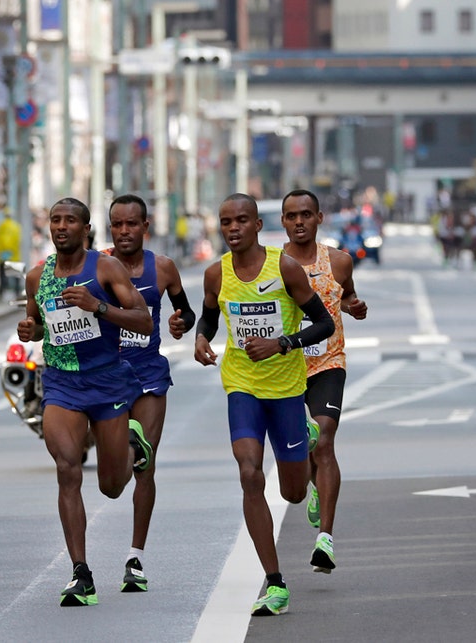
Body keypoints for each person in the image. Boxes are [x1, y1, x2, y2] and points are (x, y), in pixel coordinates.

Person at [194, 193, 336, 617]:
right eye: (225, 222)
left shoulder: (285, 268)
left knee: (293, 493)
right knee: (249, 471)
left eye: (241, 220)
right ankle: (275, 583)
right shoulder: (215, 274)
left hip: (288, 388)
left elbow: (324, 323)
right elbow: (209, 317)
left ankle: (306, 440)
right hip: (242, 385)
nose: (233, 228)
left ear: (257, 225)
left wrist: (283, 343)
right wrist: (202, 337)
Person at [16, 198, 155, 607]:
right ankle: (81, 573)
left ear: (86, 228)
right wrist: (30, 329)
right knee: (66, 467)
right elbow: (38, 325)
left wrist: (98, 306)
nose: (61, 226)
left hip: (107, 382)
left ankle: (133, 446)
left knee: (112, 487)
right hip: (61, 385)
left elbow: (144, 321)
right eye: (56, 220)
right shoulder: (36, 277)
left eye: (70, 220)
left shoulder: (104, 268)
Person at [105, 194, 196, 593]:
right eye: (117, 225)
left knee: (144, 463)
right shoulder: (97, 266)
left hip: (148, 375)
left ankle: (135, 556)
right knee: (115, 477)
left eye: (131, 224)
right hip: (105, 378)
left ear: (146, 226)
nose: (124, 232)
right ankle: (126, 441)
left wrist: (181, 322)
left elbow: (187, 312)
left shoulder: (162, 268)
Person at [281, 190, 368, 575]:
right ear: (283, 222)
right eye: (290, 216)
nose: (298, 222)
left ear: (319, 218)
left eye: (305, 215)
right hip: (283, 368)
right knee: (306, 451)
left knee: (325, 439)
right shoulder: (272, 265)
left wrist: (355, 306)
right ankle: (315, 486)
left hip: (328, 362)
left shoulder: (340, 261)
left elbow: (346, 297)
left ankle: (326, 540)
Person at [0, 209, 21, 298]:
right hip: (14, 254)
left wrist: (0, 250)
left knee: (2, 275)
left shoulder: (0, 226)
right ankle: (17, 292)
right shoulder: (16, 226)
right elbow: (18, 240)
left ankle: (1, 293)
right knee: (16, 275)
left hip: (3, 254)